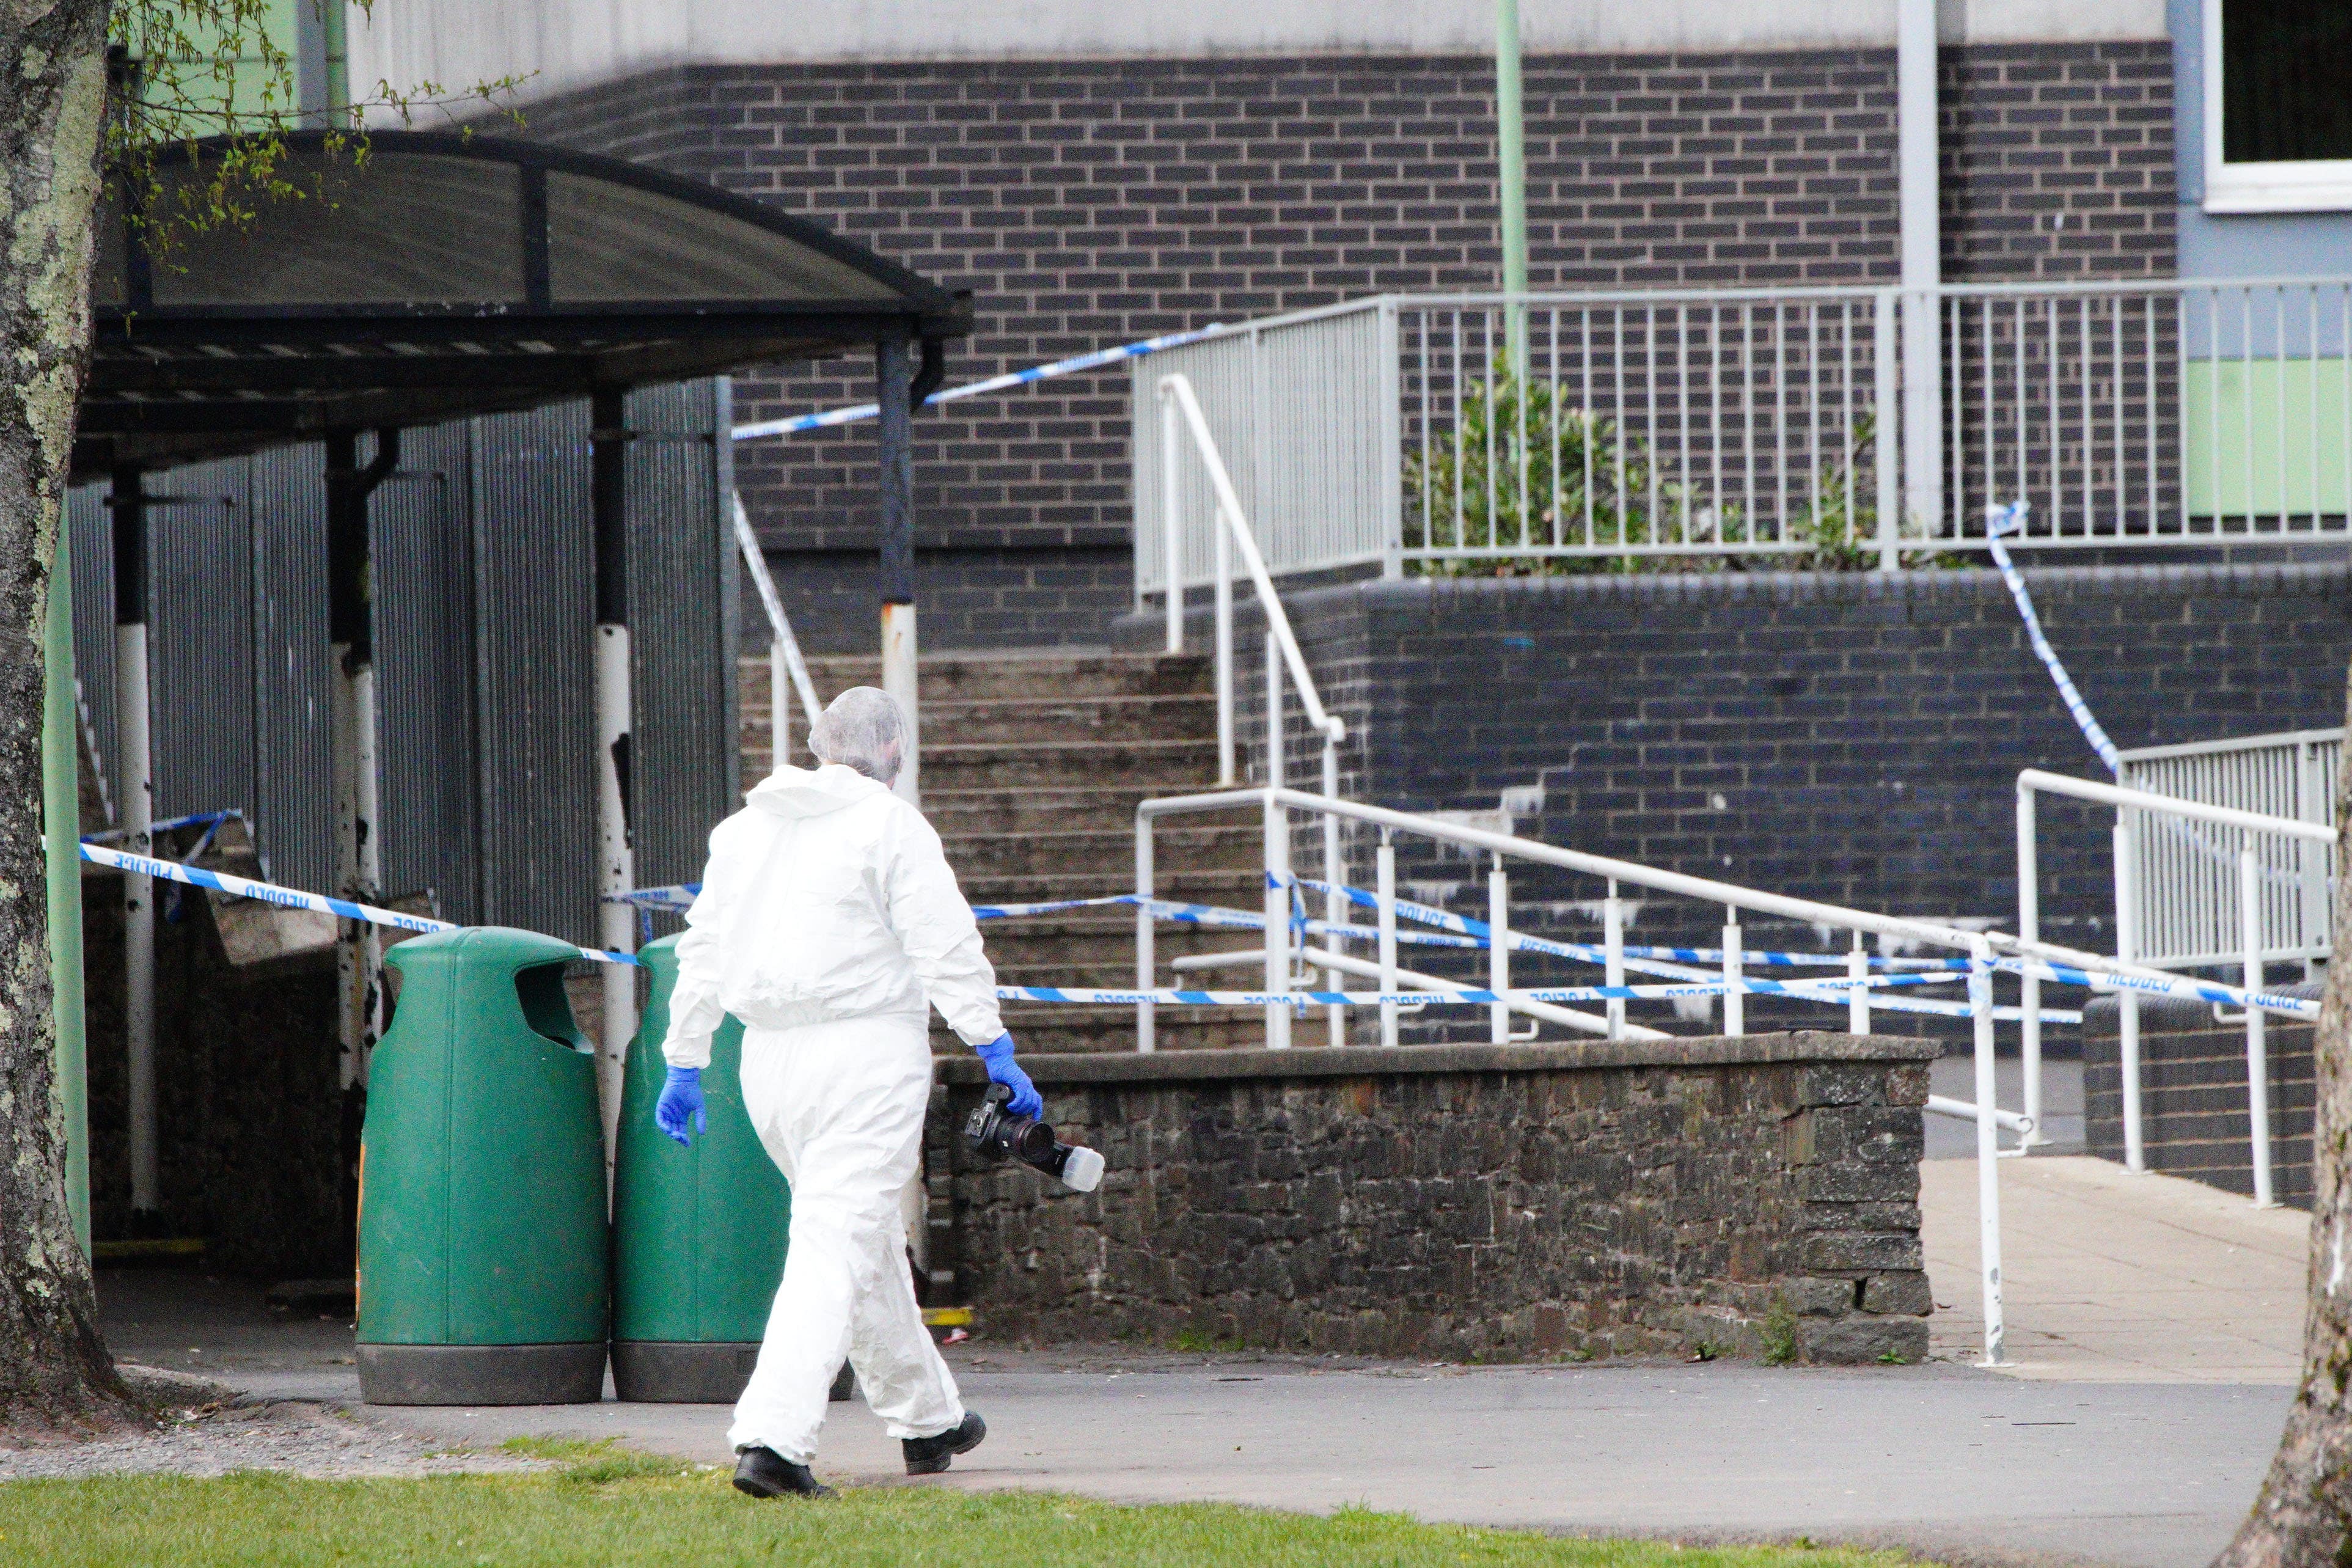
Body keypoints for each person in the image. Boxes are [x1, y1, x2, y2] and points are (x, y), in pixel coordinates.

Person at [651, 686, 1042, 1500]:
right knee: (835, 1241)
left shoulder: (745, 831)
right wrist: (991, 1042)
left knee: (856, 1235)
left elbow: (704, 948)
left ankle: (927, 1417)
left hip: (767, 1064)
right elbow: (945, 941)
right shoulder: (891, 825)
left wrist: (685, 1058)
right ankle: (773, 1439)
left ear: (816, 743)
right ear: (893, 753)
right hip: (866, 1052)